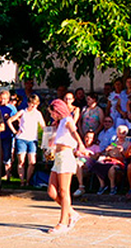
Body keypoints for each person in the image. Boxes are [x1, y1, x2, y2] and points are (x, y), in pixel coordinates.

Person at [46, 99, 87, 234]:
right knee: (52, 191)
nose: (51, 115)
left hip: (65, 157)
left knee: (64, 191)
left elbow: (74, 132)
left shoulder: (68, 120)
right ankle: (72, 213)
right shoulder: (60, 124)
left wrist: (81, 144)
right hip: (58, 158)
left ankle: (63, 222)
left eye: (52, 113)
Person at [7, 94, 46, 187]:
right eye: (32, 104)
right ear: (28, 103)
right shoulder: (22, 112)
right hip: (22, 138)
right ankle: (22, 181)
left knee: (32, 161)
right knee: (21, 160)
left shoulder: (38, 114)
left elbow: (43, 126)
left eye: (35, 104)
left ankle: (28, 180)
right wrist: (15, 131)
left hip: (32, 139)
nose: (33, 106)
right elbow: (10, 121)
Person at [93, 125, 131, 195]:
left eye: (123, 133)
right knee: (97, 165)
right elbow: (107, 151)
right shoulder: (114, 143)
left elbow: (127, 156)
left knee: (112, 168)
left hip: (120, 161)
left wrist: (122, 151)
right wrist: (107, 150)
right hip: (110, 159)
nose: (121, 135)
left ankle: (112, 186)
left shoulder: (128, 144)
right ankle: (102, 185)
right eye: (120, 133)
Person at [0, 89, 17, 181]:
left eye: (5, 99)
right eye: (1, 99)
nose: (2, 101)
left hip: (7, 135)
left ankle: (8, 174)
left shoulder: (12, 109)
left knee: (7, 154)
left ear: (8, 99)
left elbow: (16, 121)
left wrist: (10, 119)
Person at [73, 130, 101, 198]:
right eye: (87, 137)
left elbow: (96, 157)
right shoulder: (80, 146)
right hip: (75, 164)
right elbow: (73, 154)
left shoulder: (95, 147)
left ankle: (81, 186)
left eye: (91, 138)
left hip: (87, 166)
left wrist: (88, 154)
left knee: (78, 164)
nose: (88, 139)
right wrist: (75, 153)